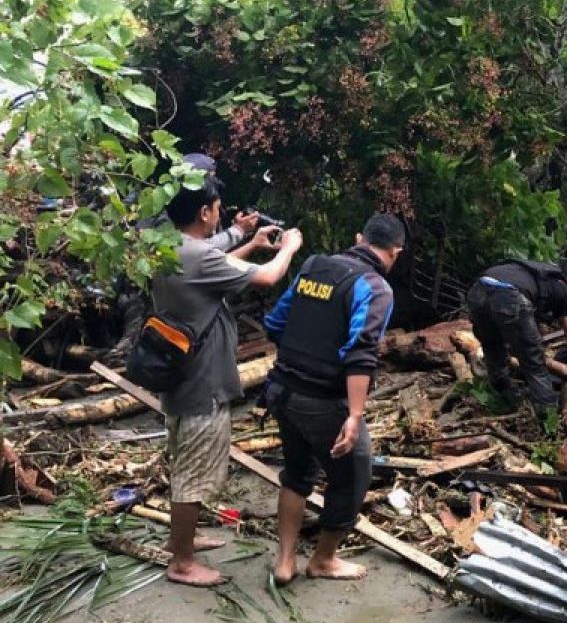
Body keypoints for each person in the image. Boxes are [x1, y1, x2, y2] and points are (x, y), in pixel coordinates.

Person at [152, 175, 303, 587]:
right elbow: (269, 278)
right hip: (201, 381)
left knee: (184, 461)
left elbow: (212, 259)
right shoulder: (198, 256)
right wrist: (288, 248)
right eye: (216, 208)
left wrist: (248, 241)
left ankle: (183, 539)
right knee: (192, 472)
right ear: (204, 212)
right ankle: (182, 562)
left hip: (179, 375)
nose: (220, 215)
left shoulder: (170, 247)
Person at [262, 214, 406, 584]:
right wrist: (354, 416)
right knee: (354, 473)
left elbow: (275, 323)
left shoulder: (313, 266)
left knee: (297, 472)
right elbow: (361, 352)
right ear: (396, 252)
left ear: (359, 236)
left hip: (281, 390)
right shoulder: (375, 287)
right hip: (323, 401)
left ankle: (284, 561)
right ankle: (323, 559)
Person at [111, 153, 267, 359]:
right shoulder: (171, 209)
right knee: (142, 346)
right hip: (142, 292)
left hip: (167, 293)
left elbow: (207, 253)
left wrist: (245, 236)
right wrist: (237, 232)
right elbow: (193, 252)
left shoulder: (186, 205)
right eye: (208, 178)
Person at [467, 258, 567, 414]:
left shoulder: (535, 271)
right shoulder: (562, 289)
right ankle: (548, 417)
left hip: (478, 290)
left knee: (492, 346)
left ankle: (501, 397)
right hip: (509, 295)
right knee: (534, 362)